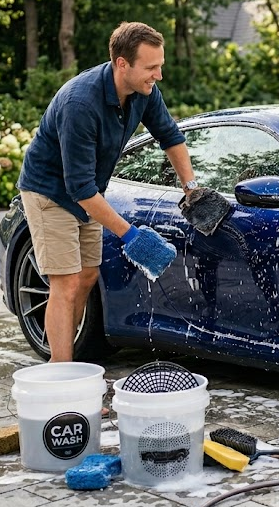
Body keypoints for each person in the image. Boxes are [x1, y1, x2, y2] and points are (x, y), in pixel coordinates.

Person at [17, 21, 198, 362]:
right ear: (122, 64)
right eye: (151, 67)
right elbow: (79, 188)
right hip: (50, 192)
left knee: (86, 276)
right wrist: (131, 236)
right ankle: (62, 378)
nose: (158, 75)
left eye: (160, 66)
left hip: (89, 192)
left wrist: (191, 188)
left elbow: (170, 136)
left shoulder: (144, 92)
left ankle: (67, 357)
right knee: (66, 283)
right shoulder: (80, 103)